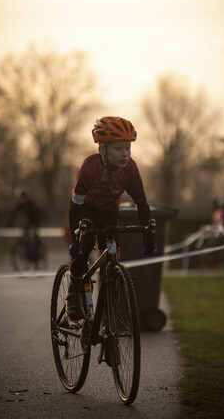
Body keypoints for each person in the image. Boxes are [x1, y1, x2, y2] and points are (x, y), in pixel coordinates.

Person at [66, 116, 157, 320]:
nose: (125, 154)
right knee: (84, 247)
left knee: (112, 255)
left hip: (109, 212)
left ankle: (107, 306)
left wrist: (148, 235)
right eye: (118, 149)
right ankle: (74, 291)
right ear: (102, 150)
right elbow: (75, 206)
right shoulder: (89, 167)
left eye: (128, 148)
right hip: (85, 211)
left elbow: (141, 204)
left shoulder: (131, 169)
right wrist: (76, 239)